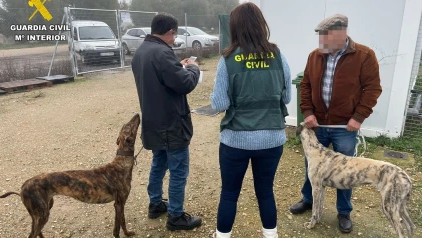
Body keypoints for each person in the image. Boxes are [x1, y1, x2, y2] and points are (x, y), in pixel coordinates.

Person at [289, 14, 382, 233]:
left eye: (325, 37)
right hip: (317, 125)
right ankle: (308, 199)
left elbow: (372, 88)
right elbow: (305, 86)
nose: (321, 42)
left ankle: (343, 212)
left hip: (344, 128)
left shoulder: (364, 55)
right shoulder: (315, 56)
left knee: (346, 172)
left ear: (341, 33)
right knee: (311, 166)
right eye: (320, 37)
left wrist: (358, 117)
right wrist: (307, 112)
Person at [210, 2, 292, 238]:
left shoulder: (227, 59)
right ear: (260, 24)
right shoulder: (278, 56)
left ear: (234, 27)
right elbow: (286, 97)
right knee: (265, 192)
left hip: (235, 139)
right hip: (272, 138)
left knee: (229, 193)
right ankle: (271, 235)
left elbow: (219, 104)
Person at [131, 12, 202, 231]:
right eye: (174, 34)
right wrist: (193, 68)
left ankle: (155, 204)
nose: (174, 38)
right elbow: (184, 84)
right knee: (178, 170)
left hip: (153, 121)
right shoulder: (162, 53)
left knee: (159, 163)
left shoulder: (141, 51)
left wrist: (176, 65)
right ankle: (176, 216)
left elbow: (162, 76)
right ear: (170, 32)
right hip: (171, 123)